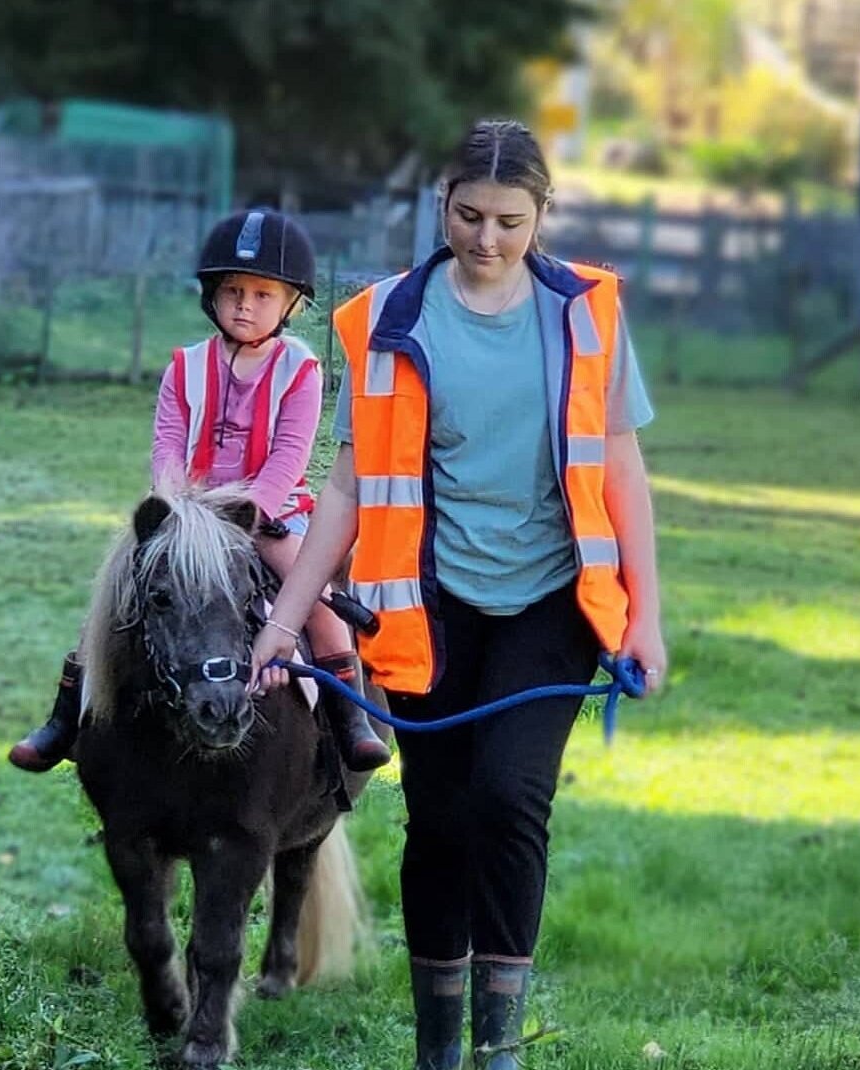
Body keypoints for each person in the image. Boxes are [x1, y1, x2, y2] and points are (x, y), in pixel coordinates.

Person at [248, 120, 668, 1070]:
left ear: (542, 214)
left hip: (554, 599)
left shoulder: (586, 315)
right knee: (439, 817)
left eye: (510, 221)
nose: (487, 238)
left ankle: (498, 1048)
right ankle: (439, 1048)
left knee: (510, 797)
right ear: (441, 205)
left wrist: (646, 615)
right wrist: (283, 622)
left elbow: (623, 469)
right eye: (469, 215)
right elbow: (349, 488)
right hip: (428, 607)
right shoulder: (385, 320)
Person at [8, 208, 391, 775]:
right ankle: (67, 717)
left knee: (312, 596)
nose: (244, 305)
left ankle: (349, 717)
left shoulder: (300, 371)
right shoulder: (184, 367)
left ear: (290, 304)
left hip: (266, 514)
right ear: (211, 296)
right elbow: (167, 447)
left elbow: (289, 456)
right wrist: (175, 507)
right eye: (233, 291)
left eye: (262, 294)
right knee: (116, 596)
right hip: (186, 517)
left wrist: (252, 512)